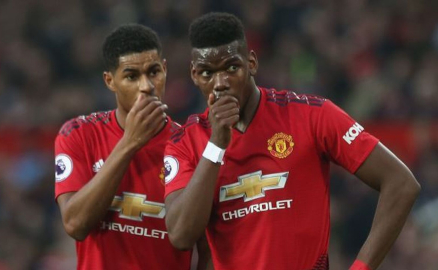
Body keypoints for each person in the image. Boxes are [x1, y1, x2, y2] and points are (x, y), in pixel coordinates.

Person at [163, 12, 420, 270]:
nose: (220, 83)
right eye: (208, 73)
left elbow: (401, 183)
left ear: (251, 63)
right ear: (195, 75)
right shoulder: (184, 142)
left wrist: (360, 268)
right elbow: (181, 235)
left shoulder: (312, 115)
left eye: (232, 68)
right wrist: (216, 145)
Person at [54, 24, 207, 270]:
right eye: (131, 76)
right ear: (110, 81)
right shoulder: (79, 134)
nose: (146, 86)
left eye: (154, 72)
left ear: (165, 69)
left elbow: (206, 248)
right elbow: (75, 224)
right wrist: (130, 143)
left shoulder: (192, 146)